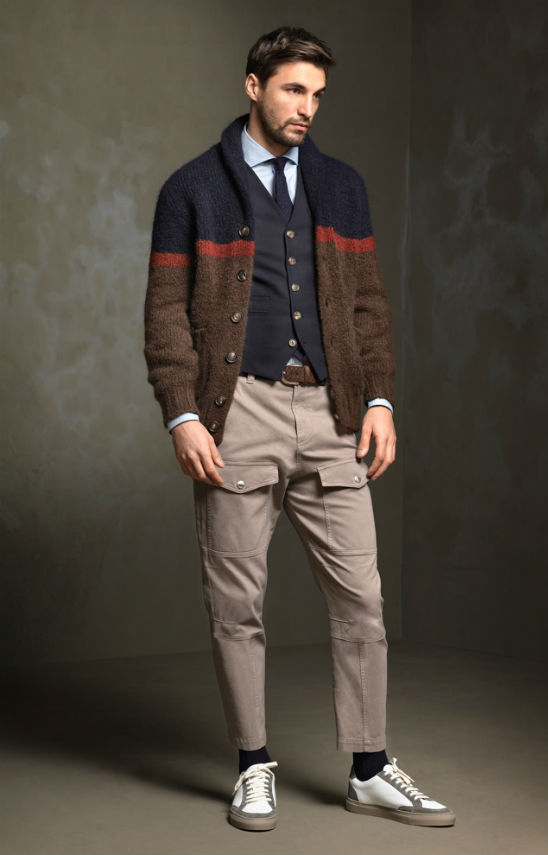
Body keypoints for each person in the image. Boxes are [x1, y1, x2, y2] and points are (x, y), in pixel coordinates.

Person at [144, 26, 455, 832]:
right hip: (235, 410)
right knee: (236, 602)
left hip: (330, 411)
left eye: (316, 95)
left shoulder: (342, 186)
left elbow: (368, 304)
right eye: (292, 89)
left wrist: (379, 398)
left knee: (362, 597)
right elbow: (166, 312)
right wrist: (182, 411)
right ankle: (252, 764)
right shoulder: (191, 189)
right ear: (253, 86)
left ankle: (370, 768)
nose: (306, 108)